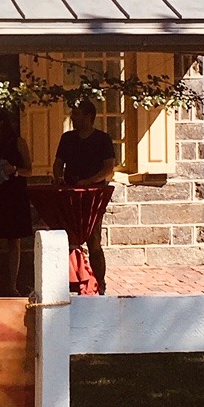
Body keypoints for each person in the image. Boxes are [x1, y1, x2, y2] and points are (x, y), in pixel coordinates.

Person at [53, 98, 117, 296]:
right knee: (68, 239)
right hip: (70, 195)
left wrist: (89, 181)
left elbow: (109, 167)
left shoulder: (102, 139)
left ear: (89, 116)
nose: (73, 117)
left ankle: (100, 282)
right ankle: (71, 281)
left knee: (93, 240)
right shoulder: (67, 138)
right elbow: (58, 163)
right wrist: (58, 178)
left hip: (93, 196)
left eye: (77, 114)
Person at [0, 108, 33, 295]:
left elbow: (29, 169)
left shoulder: (18, 143)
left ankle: (12, 284)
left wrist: (14, 170)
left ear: (1, 122)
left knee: (13, 240)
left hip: (15, 195)